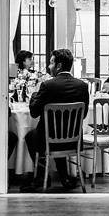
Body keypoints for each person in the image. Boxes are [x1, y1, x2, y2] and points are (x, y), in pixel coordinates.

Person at [22, 49, 89, 192]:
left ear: (58, 66)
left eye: (51, 63)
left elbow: (34, 113)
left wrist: (34, 94)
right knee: (55, 134)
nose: (48, 67)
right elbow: (83, 115)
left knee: (30, 136)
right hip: (74, 140)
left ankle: (41, 176)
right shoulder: (83, 86)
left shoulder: (47, 86)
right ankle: (64, 177)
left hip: (48, 140)